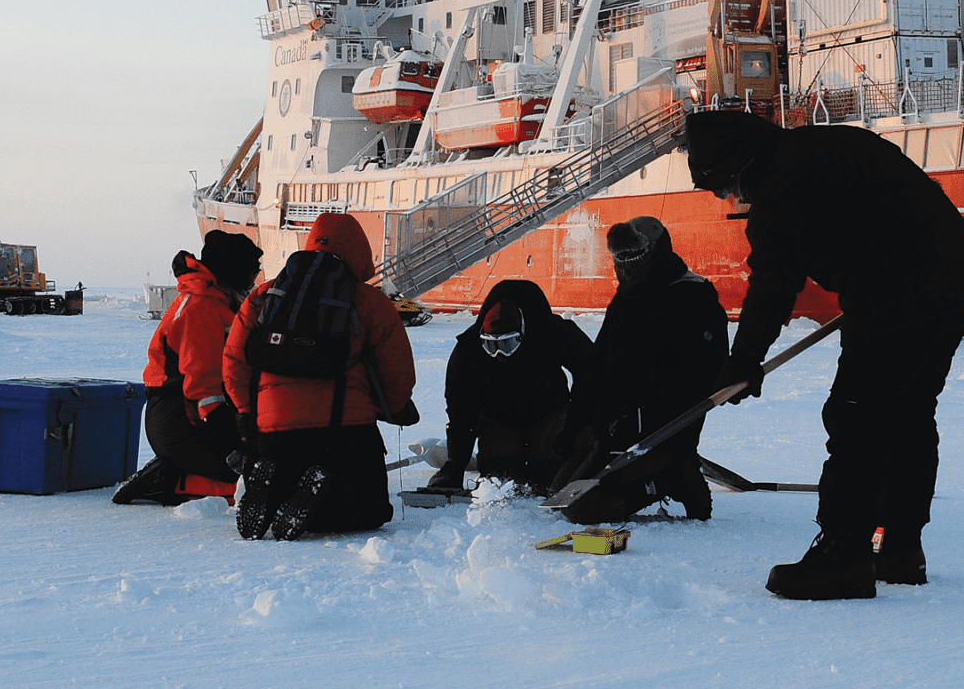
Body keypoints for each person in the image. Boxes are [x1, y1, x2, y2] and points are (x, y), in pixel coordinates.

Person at [684, 109, 964, 600]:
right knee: (908, 415)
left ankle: (843, 555)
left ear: (738, 165)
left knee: (856, 417)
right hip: (947, 282)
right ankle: (899, 548)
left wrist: (743, 361)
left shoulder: (782, 183)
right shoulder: (814, 149)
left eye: (723, 185)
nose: (729, 198)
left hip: (899, 293)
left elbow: (773, 283)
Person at [222, 212, 416, 539]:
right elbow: (397, 374)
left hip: (272, 433)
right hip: (344, 433)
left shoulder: (264, 295)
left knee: (285, 478)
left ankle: (272, 489)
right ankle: (326, 490)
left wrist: (248, 413)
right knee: (371, 509)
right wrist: (391, 408)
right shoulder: (369, 302)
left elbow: (233, 364)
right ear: (359, 251)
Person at [553, 216, 727, 521]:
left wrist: (640, 416)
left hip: (661, 433)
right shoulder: (626, 299)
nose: (623, 264)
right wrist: (576, 425)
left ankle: (669, 478)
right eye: (618, 257)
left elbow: (701, 378)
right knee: (557, 495)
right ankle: (646, 473)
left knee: (583, 509)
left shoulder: (693, 298)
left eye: (631, 256)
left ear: (655, 253)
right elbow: (596, 365)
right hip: (613, 431)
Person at [115, 230, 263, 507]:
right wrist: (231, 443)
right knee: (254, 482)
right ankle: (168, 481)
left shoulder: (216, 302)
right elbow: (202, 387)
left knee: (258, 472)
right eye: (251, 275)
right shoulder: (202, 308)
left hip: (187, 414)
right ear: (232, 272)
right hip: (179, 419)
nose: (253, 283)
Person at [430, 279, 593, 492]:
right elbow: (461, 409)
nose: (499, 355)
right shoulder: (468, 349)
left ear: (523, 334)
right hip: (498, 418)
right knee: (500, 482)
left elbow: (591, 373)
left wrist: (575, 424)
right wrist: (455, 464)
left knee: (548, 477)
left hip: (549, 413)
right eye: (491, 346)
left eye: (507, 344)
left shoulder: (553, 332)